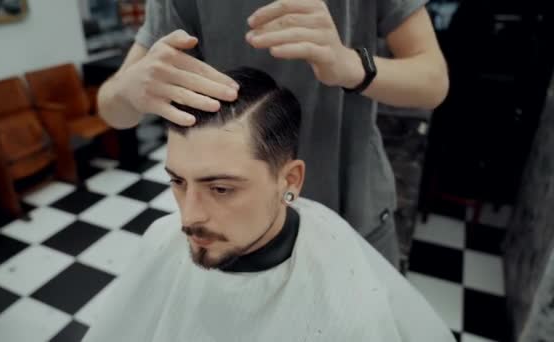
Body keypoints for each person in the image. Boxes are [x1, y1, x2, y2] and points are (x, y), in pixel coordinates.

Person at [82, 67, 455, 342]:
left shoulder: (348, 305)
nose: (188, 217)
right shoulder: (160, 242)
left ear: (289, 180)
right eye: (178, 181)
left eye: (222, 189)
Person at [97, 0, 449, 267]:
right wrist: (128, 89)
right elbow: (112, 108)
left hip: (352, 207)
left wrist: (349, 66)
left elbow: (433, 81)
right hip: (233, 222)